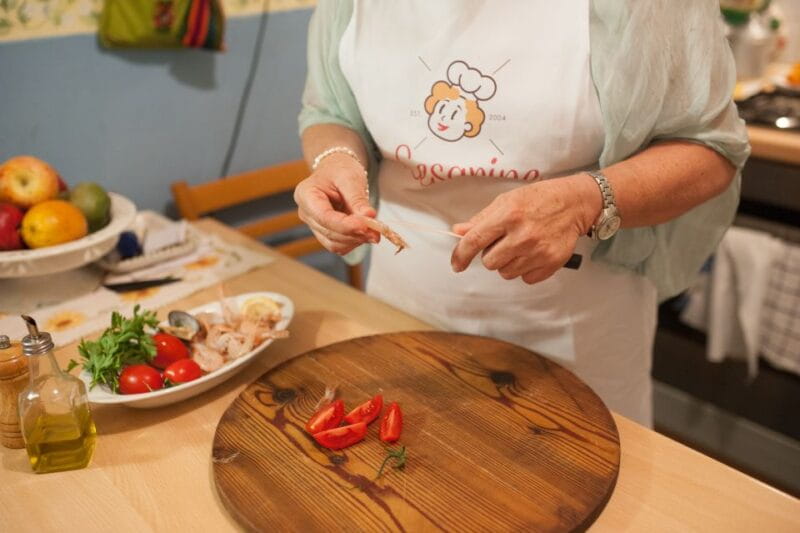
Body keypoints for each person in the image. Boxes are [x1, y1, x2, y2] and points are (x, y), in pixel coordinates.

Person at [294, 0, 750, 427]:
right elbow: (331, 110)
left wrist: (583, 201)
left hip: (572, 333)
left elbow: (710, 150)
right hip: (402, 307)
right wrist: (336, 160)